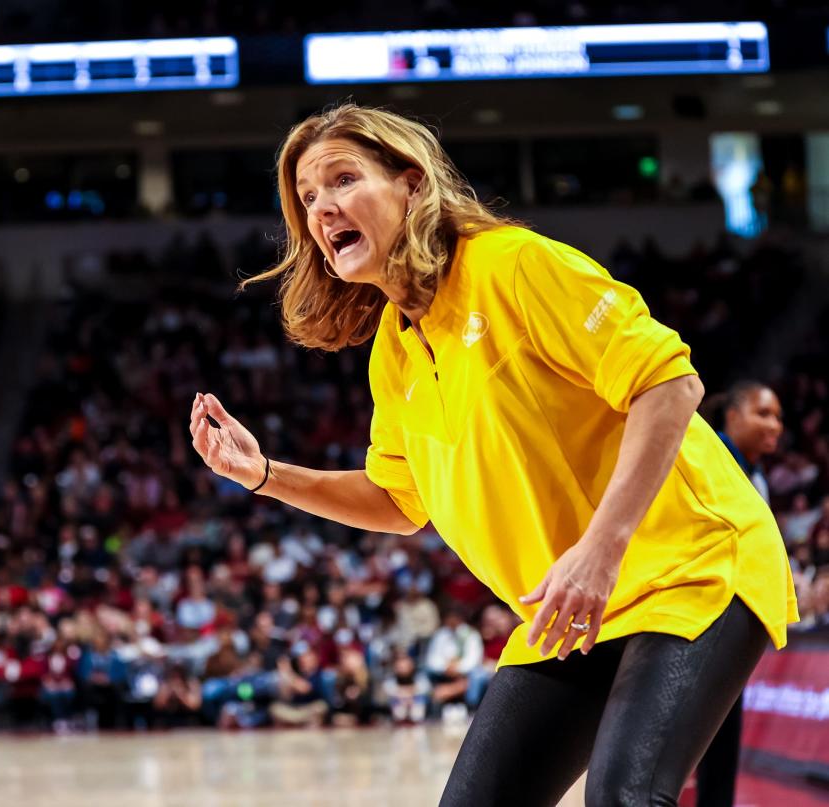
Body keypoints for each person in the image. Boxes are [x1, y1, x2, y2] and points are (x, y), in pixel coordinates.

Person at [188, 104, 797, 806]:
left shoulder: (512, 264)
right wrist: (262, 474)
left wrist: (600, 549)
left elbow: (670, 383)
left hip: (694, 565)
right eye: (307, 197)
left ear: (412, 184)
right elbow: (398, 500)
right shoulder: (394, 347)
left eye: (343, 179)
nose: (322, 208)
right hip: (573, 612)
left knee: (627, 797)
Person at [693, 380, 783, 807]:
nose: (776, 425)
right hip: (702, 609)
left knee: (720, 730)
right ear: (732, 415)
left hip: (735, 614)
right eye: (763, 413)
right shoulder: (714, 457)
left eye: (779, 417)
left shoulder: (756, 473)